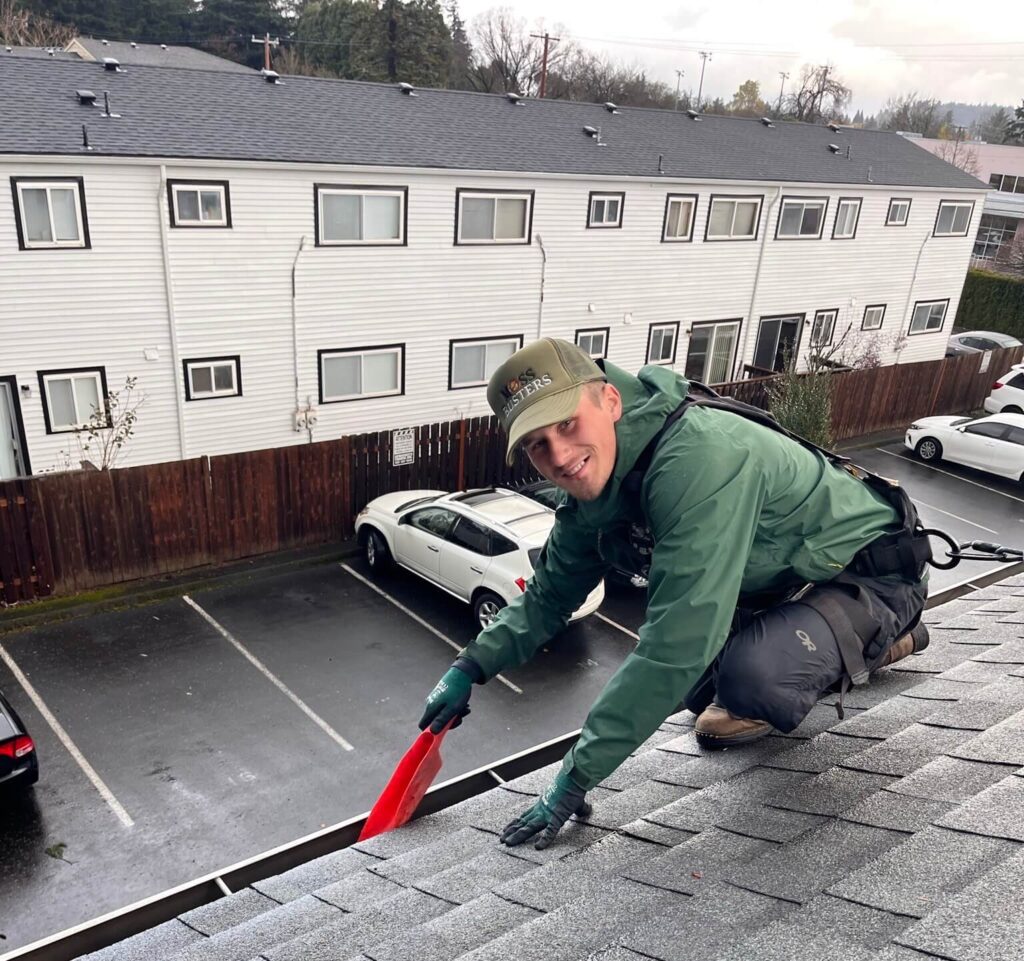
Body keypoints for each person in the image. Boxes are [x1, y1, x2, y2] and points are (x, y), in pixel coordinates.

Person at [419, 337, 929, 850]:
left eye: (568, 423)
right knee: (696, 694)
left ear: (610, 402)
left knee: (752, 682)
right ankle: (821, 642)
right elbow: (548, 597)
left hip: (870, 574)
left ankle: (884, 638)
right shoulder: (597, 488)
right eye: (536, 443)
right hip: (781, 585)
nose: (559, 454)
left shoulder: (698, 457)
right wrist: (471, 667)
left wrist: (576, 777)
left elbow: (675, 645)